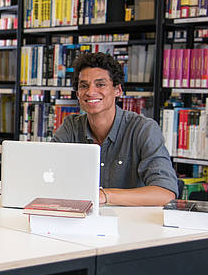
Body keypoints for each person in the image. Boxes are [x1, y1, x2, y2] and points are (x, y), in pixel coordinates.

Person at [52, 52, 178, 206]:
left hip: (133, 225)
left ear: (118, 90)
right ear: (77, 93)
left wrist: (105, 195)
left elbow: (165, 193)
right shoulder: (70, 127)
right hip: (82, 220)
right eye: (84, 86)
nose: (90, 92)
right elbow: (46, 172)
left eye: (100, 84)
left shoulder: (143, 129)